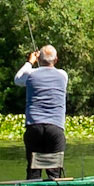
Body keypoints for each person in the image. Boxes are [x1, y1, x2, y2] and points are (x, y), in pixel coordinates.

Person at [14, 44, 68, 179]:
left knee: (33, 172)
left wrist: (30, 62)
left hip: (34, 127)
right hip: (55, 128)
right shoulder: (63, 75)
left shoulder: (30, 74)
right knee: (55, 173)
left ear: (38, 59)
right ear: (56, 60)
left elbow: (17, 79)